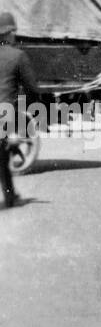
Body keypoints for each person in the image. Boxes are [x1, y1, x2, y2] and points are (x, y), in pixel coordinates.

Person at [0, 11, 36, 209]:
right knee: (3, 158)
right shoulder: (17, 56)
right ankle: (10, 197)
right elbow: (32, 87)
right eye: (12, 31)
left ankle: (11, 196)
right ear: (8, 34)